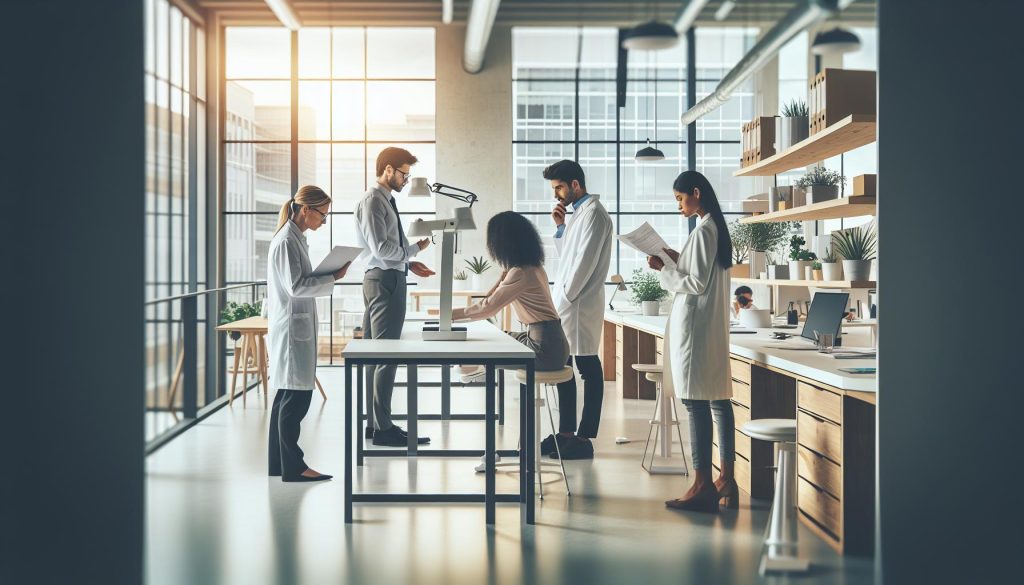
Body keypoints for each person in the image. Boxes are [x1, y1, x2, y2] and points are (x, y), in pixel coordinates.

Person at [647, 170, 736, 512]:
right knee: (717, 400)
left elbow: (695, 284)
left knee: (695, 401)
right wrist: (675, 257)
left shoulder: (703, 231)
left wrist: (663, 269)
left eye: (680, 199)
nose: (679, 206)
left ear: (696, 193)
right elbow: (701, 273)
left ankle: (701, 484)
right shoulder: (716, 229)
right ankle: (725, 478)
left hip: (696, 329)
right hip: (710, 328)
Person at [267, 185, 350, 482]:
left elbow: (299, 281)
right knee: (295, 400)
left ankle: (278, 464)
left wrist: (328, 275)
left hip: (293, 325)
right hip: (291, 329)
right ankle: (294, 467)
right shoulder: (287, 242)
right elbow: (296, 287)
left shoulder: (294, 239)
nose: (323, 221)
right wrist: (333, 277)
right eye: (323, 215)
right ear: (306, 210)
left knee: (285, 397)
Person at [354, 147, 436, 447]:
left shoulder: (383, 200)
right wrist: (414, 250)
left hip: (388, 276)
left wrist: (408, 262)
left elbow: (387, 249)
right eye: (404, 173)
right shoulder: (373, 200)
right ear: (388, 170)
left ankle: (377, 425)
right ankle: (382, 427)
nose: (405, 179)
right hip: (385, 280)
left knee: (377, 356)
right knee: (385, 355)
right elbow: (380, 249)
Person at [452, 211, 571, 403]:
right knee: (494, 337)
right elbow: (490, 300)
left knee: (483, 350)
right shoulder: (533, 268)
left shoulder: (520, 273)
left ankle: (480, 368)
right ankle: (478, 368)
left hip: (544, 349)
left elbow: (488, 308)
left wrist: (449, 315)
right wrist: (502, 277)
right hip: (552, 341)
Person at [544, 160, 613, 460]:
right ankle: (566, 433)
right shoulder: (577, 215)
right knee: (568, 367)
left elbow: (583, 265)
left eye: (559, 187)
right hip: (569, 302)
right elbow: (567, 258)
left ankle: (584, 438)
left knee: (587, 367)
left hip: (578, 304)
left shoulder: (595, 216)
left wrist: (562, 301)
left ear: (575, 184)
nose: (556, 195)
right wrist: (560, 228)